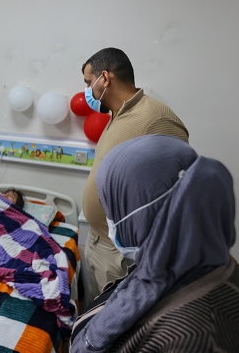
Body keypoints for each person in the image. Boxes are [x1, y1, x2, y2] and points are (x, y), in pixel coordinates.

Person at [71, 135, 239, 353]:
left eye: (112, 206)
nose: (109, 218)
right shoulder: (179, 258)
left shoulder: (197, 339)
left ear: (143, 213)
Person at [81, 48, 189, 299]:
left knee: (113, 318)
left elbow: (177, 189)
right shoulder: (117, 114)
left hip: (121, 254)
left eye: (88, 82)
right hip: (97, 242)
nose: (87, 90)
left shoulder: (156, 119)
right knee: (93, 313)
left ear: (104, 78)